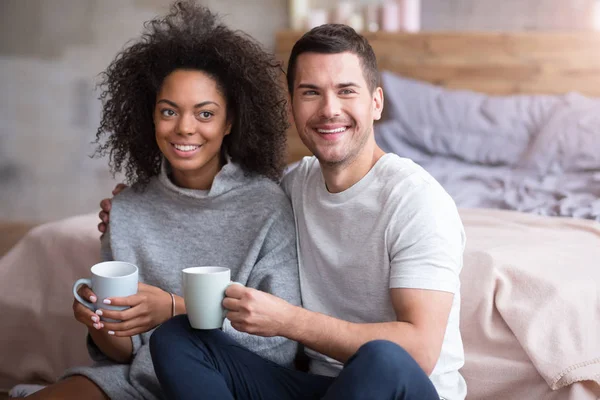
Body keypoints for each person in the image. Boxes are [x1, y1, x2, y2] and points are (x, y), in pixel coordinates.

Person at [103, 25, 466, 400]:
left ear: (376, 102)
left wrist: (291, 322)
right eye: (311, 93)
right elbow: (228, 199)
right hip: (316, 388)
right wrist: (140, 202)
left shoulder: (417, 201)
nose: (329, 110)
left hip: (396, 387)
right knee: (177, 337)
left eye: (346, 91)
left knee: (381, 359)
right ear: (292, 107)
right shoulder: (294, 185)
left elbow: (420, 351)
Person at [23, 2, 301, 399]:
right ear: (150, 117)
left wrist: (175, 307)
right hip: (139, 384)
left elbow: (278, 346)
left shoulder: (268, 207)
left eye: (205, 114)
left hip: (230, 383)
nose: (184, 128)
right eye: (169, 111)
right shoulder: (128, 210)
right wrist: (99, 323)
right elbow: (125, 354)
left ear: (230, 121)